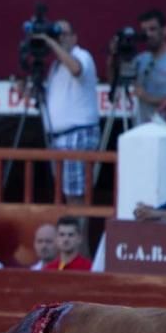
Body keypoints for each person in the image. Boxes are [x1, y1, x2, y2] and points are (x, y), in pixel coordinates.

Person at [35, 20, 99, 205]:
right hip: (58, 137)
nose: (60, 38)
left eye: (64, 34)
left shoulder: (82, 55)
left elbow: (77, 69)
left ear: (74, 37)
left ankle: (78, 234)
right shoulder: (55, 66)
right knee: (63, 194)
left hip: (77, 134)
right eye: (57, 35)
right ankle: (69, 232)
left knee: (76, 196)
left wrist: (52, 43)